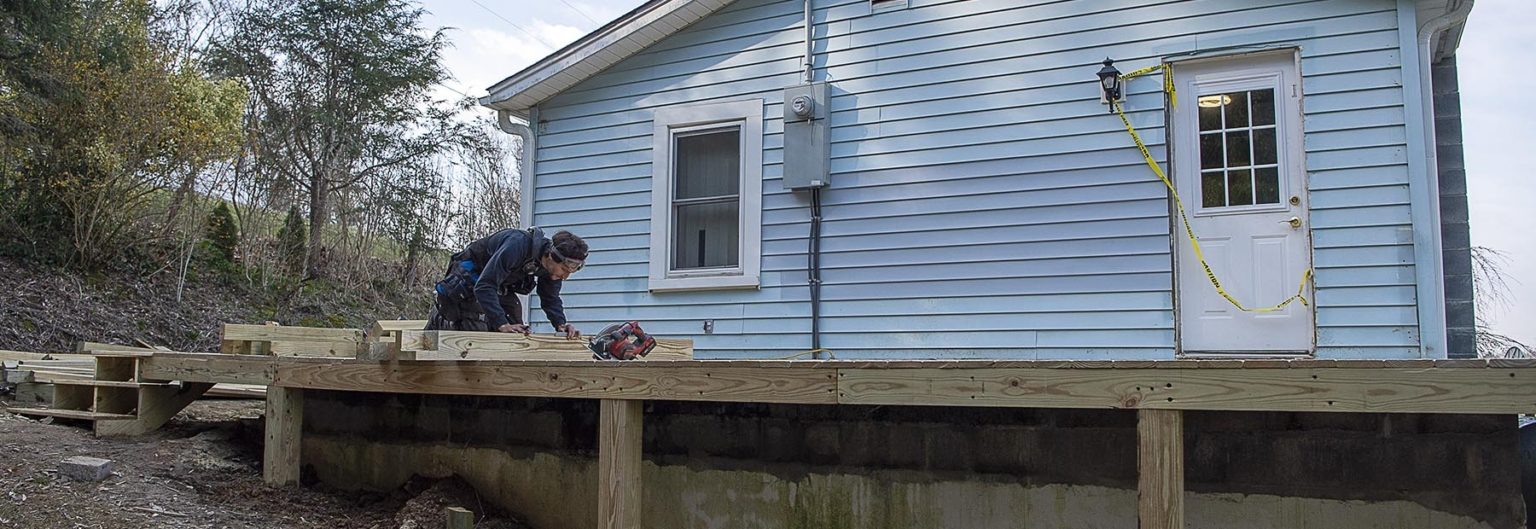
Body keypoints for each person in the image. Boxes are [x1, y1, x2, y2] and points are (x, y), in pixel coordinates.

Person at [427, 227, 587, 338]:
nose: (565, 277)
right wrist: (501, 323)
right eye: (564, 270)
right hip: (471, 278)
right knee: (477, 324)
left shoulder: (550, 268)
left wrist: (560, 324)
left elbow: (550, 298)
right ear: (551, 256)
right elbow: (484, 285)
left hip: (498, 286)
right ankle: (441, 320)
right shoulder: (516, 245)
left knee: (517, 331)